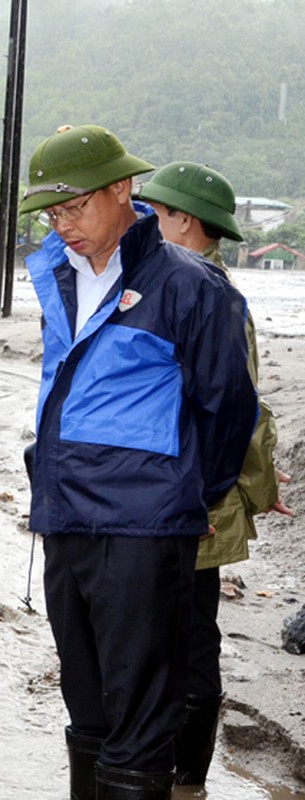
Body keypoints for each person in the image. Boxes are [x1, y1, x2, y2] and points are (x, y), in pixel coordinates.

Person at [20, 125, 258, 800]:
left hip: (144, 526)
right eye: (51, 212)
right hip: (65, 514)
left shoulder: (190, 286)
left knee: (141, 701)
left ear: (122, 190)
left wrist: (189, 493)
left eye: (73, 207)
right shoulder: (56, 277)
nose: (61, 224)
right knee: (84, 695)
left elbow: (227, 407)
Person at [137, 162, 292, 786]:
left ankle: (186, 775)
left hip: (194, 494)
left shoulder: (210, 294)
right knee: (176, 628)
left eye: (156, 214)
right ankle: (176, 770)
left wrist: (256, 488)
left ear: (185, 221)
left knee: (189, 634)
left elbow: (239, 404)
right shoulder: (183, 284)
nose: (146, 223)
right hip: (183, 491)